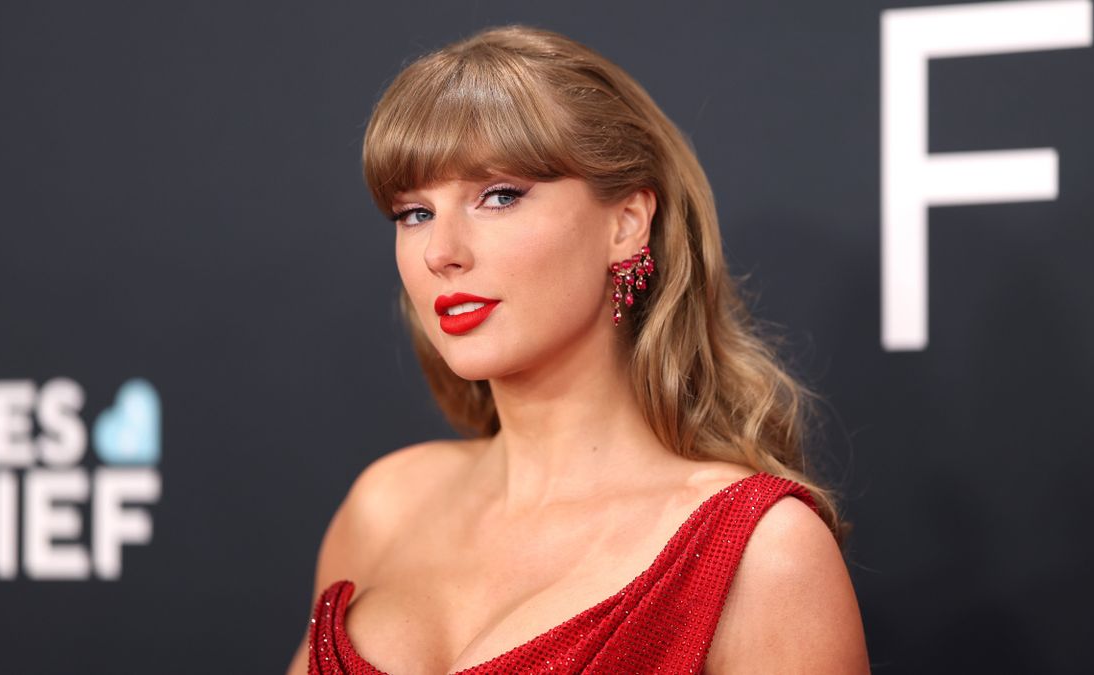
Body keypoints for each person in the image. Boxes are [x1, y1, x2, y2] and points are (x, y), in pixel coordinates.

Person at [287, 24, 868, 675]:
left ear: (626, 223)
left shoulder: (761, 553)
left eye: (499, 196)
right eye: (414, 212)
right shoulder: (385, 504)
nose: (440, 251)